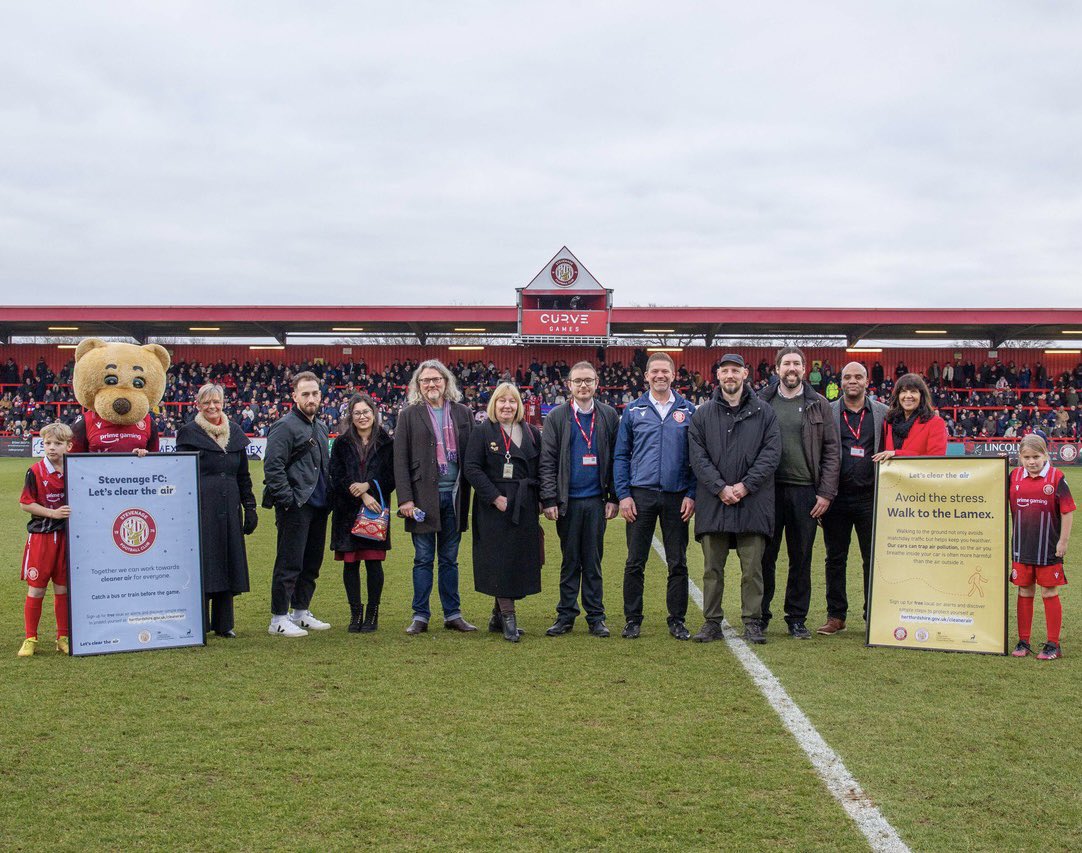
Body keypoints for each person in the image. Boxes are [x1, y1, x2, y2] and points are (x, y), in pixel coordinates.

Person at [688, 354, 781, 644]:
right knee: (712, 570)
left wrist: (745, 486)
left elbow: (771, 453)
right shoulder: (702, 414)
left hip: (753, 502)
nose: (730, 375)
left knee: (752, 570)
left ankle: (752, 621)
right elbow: (697, 456)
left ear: (745, 374)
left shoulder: (764, 412)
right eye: (725, 370)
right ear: (718, 375)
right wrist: (720, 487)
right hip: (713, 502)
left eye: (735, 370)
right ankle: (711, 622)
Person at [758, 347, 840, 639]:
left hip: (805, 491)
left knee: (801, 557)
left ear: (804, 369)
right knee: (764, 557)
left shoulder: (819, 404)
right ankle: (759, 615)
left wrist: (826, 493)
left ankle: (796, 618)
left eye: (796, 363)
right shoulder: (761, 401)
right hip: (767, 491)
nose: (791, 368)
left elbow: (831, 451)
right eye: (786, 364)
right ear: (777, 369)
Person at [613, 351, 696, 640]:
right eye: (655, 371)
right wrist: (624, 495)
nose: (660, 376)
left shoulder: (689, 410)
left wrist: (692, 493)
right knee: (635, 561)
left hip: (677, 496)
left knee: (678, 562)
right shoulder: (632, 410)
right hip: (641, 496)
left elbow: (696, 459)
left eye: (665, 371)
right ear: (646, 375)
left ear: (674, 375)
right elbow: (621, 456)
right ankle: (632, 619)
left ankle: (677, 620)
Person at [393, 359, 476, 634]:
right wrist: (405, 500)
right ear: (418, 385)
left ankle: (453, 614)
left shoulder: (463, 413)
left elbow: (473, 456)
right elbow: (400, 460)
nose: (431, 384)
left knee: (450, 560)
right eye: (426, 380)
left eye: (436, 379)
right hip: (422, 500)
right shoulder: (408, 415)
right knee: (423, 559)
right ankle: (420, 615)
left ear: (446, 382)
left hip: (455, 497)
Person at [539, 360, 620, 637]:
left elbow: (617, 459)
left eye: (588, 380)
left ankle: (596, 617)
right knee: (570, 560)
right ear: (569, 385)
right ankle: (566, 615)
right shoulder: (556, 417)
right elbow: (547, 461)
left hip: (597, 501)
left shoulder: (608, 415)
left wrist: (614, 497)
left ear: (597, 383)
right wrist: (549, 499)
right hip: (568, 502)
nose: (583, 386)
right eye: (578, 381)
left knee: (593, 561)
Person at [175, 384, 258, 638]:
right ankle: (199, 621)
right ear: (198, 404)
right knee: (204, 562)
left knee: (227, 560)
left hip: (230, 509)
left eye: (216, 401)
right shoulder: (188, 433)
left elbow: (243, 475)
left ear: (223, 403)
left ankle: (224, 624)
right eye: (207, 402)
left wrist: (250, 507)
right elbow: (180, 473)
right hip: (200, 510)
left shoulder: (235, 432)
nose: (212, 406)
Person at [463, 382, 543, 642]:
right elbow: (471, 468)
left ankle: (497, 617)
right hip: (493, 507)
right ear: (493, 404)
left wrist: (541, 499)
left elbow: (540, 468)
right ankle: (509, 616)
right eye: (502, 401)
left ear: (519, 405)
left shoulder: (531, 432)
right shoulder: (482, 431)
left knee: (517, 560)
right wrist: (494, 497)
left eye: (512, 401)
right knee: (499, 560)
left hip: (524, 503)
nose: (507, 406)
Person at [818, 362, 888, 635]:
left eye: (858, 377)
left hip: (870, 498)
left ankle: (873, 615)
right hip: (836, 498)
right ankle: (836, 616)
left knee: (873, 558)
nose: (853, 381)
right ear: (841, 382)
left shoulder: (882, 412)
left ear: (867, 381)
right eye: (847, 377)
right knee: (835, 558)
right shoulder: (829, 411)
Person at [262, 371, 332, 637]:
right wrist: (288, 500)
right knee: (289, 562)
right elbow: (273, 467)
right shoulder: (284, 426)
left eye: (314, 393)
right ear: (295, 396)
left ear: (320, 395)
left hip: (318, 505)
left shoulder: (321, 426)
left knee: (311, 563)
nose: (311, 398)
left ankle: (300, 612)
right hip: (296, 505)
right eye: (305, 394)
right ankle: (278, 618)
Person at [329, 393, 395, 633]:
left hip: (375, 513)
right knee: (351, 565)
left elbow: (392, 477)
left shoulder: (387, 442)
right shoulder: (341, 442)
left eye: (366, 412)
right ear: (351, 416)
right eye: (357, 413)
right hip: (347, 512)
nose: (362, 416)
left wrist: (369, 487)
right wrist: (360, 493)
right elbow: (336, 474)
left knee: (374, 564)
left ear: (373, 413)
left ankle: (372, 614)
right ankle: (355, 614)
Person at [1009, 434, 1073, 660]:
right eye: (1026, 457)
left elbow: (1067, 511)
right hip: (1022, 546)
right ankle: (1023, 641)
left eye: (1036, 456)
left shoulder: (1056, 477)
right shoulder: (1014, 476)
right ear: (1020, 457)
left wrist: (1063, 541)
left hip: (1048, 547)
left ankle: (1053, 644)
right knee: (1024, 590)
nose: (1031, 462)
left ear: (1045, 454)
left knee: (1049, 592)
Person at [17, 422, 73, 656]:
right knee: (37, 589)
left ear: (69, 446)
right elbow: (25, 503)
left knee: (62, 589)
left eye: (57, 443)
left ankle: (63, 637)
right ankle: (30, 638)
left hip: (67, 538)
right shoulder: (36, 471)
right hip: (42, 537)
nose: (51, 447)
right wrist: (53, 513)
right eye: (47, 443)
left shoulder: (75, 469)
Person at [872, 373, 948, 461]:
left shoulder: (935, 423)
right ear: (898, 395)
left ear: (921, 396)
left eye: (913, 391)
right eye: (903, 391)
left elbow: (936, 460)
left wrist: (896, 454)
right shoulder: (889, 422)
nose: (908, 396)